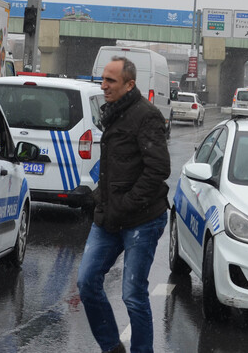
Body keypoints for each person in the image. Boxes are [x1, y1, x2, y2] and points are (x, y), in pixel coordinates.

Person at [77, 56, 170, 353]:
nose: (103, 85)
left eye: (111, 81)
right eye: (103, 79)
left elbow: (158, 169)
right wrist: (96, 199)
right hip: (109, 217)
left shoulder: (147, 116)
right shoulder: (113, 112)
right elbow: (114, 168)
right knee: (87, 282)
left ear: (130, 84)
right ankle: (111, 348)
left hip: (143, 219)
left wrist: (128, 203)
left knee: (133, 294)